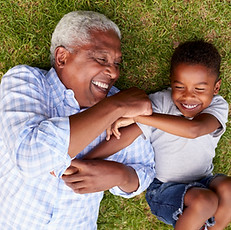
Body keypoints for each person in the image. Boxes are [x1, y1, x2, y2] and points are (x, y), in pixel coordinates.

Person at [0, 11, 155, 229]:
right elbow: (30, 157)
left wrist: (119, 175)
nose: (113, 72)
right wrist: (114, 106)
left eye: (117, 63)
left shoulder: (122, 107)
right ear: (62, 57)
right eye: (102, 59)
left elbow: (145, 170)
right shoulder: (25, 82)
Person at [82, 40, 231, 230]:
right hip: (164, 189)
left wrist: (141, 117)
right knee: (205, 201)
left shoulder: (217, 106)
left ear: (216, 88)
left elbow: (195, 130)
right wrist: (88, 159)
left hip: (204, 180)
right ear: (171, 81)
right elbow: (127, 136)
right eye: (179, 87)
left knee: (228, 188)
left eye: (200, 89)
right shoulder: (160, 102)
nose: (188, 97)